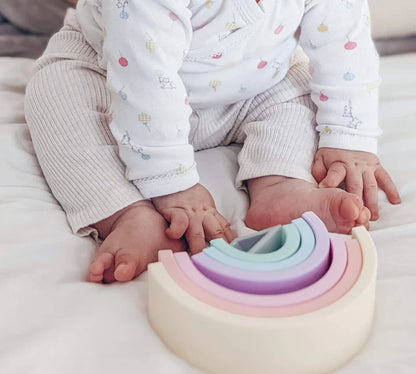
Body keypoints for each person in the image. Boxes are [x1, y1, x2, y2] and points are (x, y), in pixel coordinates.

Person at [25, 0, 401, 284]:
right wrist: (173, 186)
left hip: (254, 84)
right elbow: (144, 77)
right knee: (57, 95)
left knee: (297, 90)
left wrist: (349, 135)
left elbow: (344, 40)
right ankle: (128, 215)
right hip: (115, 80)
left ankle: (280, 184)